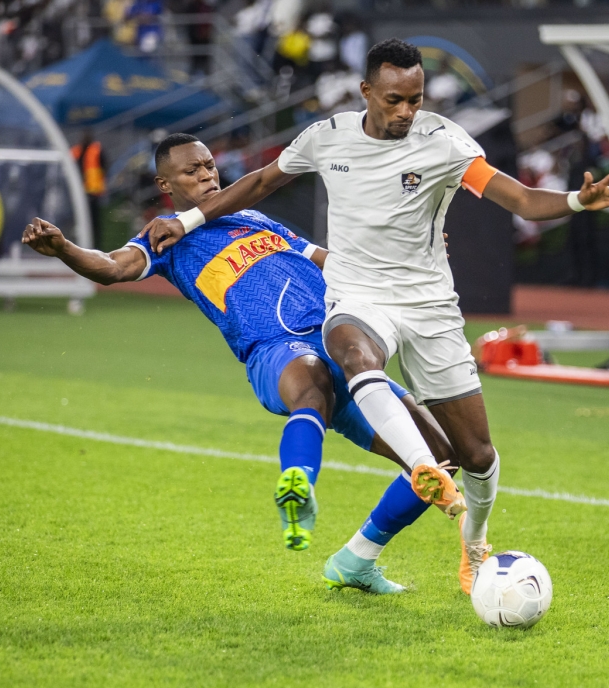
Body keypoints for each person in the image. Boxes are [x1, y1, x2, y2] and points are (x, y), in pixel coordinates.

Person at [141, 39, 609, 594]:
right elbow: (258, 183)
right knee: (351, 349)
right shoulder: (327, 138)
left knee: (477, 455)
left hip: (429, 307)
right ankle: (421, 466)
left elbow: (515, 198)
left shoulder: (444, 141)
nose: (406, 111)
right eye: (395, 99)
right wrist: (188, 221)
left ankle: (468, 545)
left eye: (415, 99)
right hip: (358, 295)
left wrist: (573, 202)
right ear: (367, 92)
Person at [23, 133, 463, 595]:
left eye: (209, 165)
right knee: (311, 382)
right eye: (191, 170)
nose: (207, 174)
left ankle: (356, 559)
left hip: (342, 342)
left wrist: (410, 257)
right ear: (165, 182)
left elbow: (333, 261)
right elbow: (112, 267)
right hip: (274, 349)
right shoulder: (165, 235)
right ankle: (300, 484)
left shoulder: (253, 217)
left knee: (441, 456)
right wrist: (65, 249)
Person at [71, 131, 106, 249]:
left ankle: (95, 246)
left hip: (93, 190)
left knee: (94, 220)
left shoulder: (97, 150)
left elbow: (104, 166)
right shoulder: (77, 150)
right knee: (78, 218)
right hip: (78, 190)